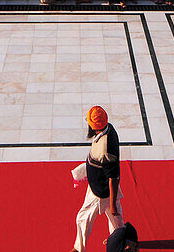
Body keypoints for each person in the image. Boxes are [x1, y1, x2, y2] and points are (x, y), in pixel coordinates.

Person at [73, 106, 124, 252]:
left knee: (83, 218)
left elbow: (113, 178)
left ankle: (78, 249)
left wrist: (112, 202)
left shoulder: (105, 149)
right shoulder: (109, 129)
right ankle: (119, 241)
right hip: (98, 185)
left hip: (100, 192)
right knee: (116, 219)